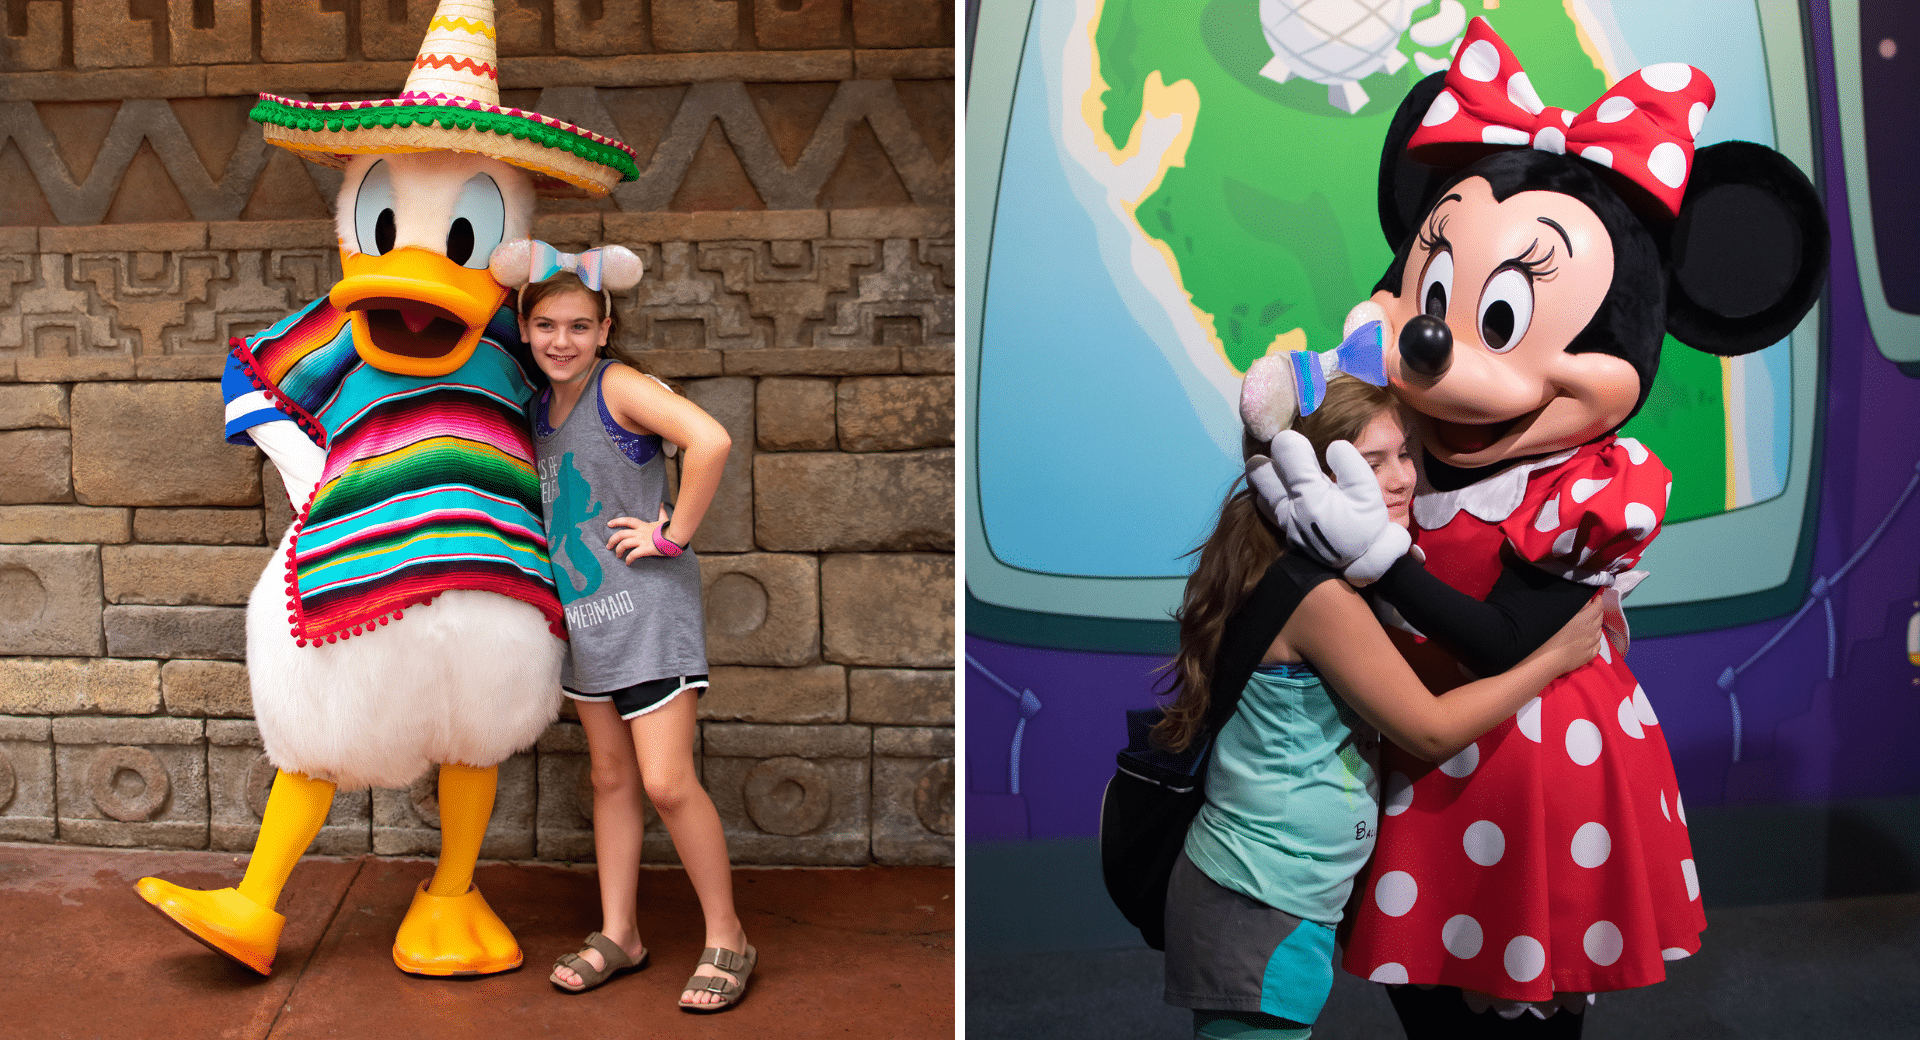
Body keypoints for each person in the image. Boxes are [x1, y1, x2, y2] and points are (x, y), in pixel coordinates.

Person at [1157, 376, 1604, 1040]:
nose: (1401, 479)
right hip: (1257, 895)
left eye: (1404, 453)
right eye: (1371, 462)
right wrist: (1555, 657)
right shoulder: (1320, 598)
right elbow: (1431, 730)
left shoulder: (1301, 568)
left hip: (1276, 891)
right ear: (1310, 476)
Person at [520, 269, 752, 1011]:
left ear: (605, 331)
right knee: (611, 778)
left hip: (648, 613)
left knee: (665, 781)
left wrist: (671, 535)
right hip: (587, 619)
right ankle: (620, 933)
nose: (562, 340)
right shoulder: (536, 408)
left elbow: (710, 440)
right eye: (546, 325)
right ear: (524, 330)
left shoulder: (616, 386)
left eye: (579, 326)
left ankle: (729, 937)